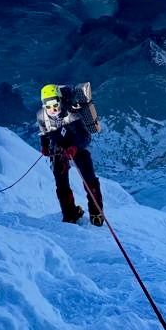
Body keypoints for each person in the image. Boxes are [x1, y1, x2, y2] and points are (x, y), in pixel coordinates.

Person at [37, 83, 104, 225]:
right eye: (47, 106)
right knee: (61, 184)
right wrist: (44, 146)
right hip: (59, 148)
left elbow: (86, 137)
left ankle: (96, 213)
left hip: (77, 147)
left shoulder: (72, 114)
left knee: (89, 179)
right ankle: (69, 214)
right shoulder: (42, 116)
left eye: (54, 104)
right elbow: (44, 132)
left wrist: (74, 147)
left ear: (60, 100)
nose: (52, 109)